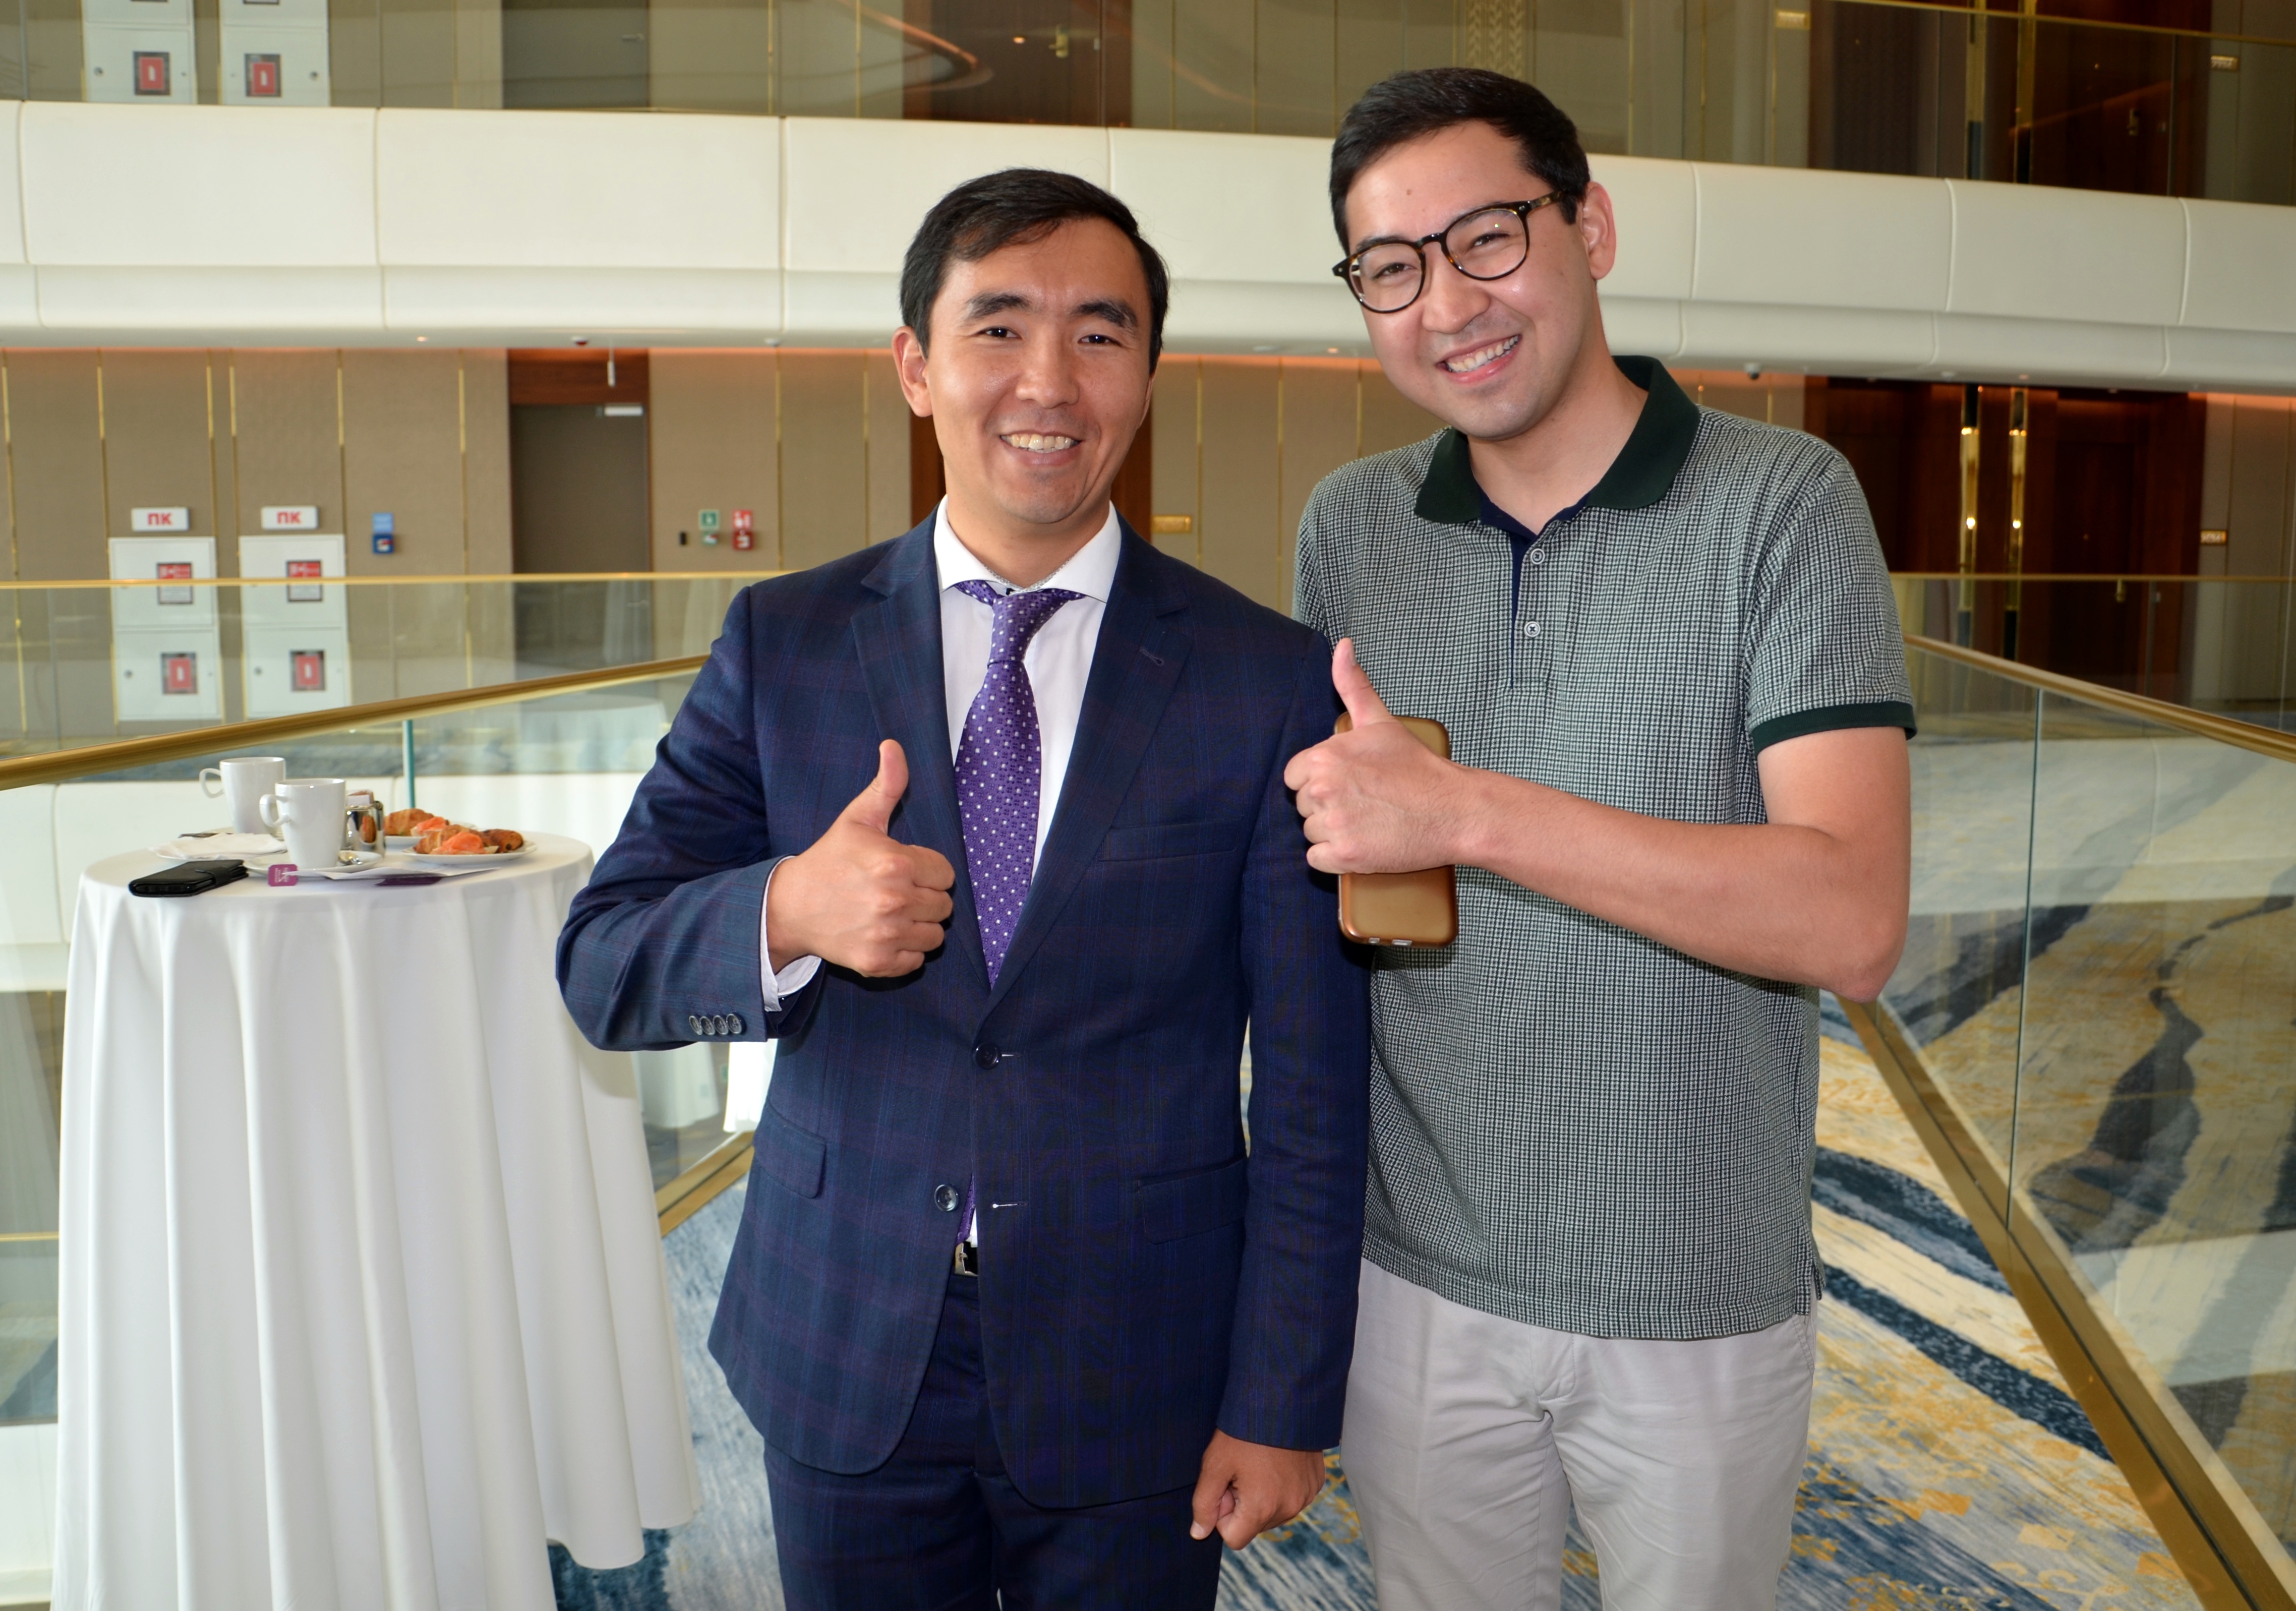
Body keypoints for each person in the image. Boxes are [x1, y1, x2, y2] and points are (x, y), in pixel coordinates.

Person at [557, 168, 1369, 1610]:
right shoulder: (786, 642)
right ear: (915, 367)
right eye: (997, 328)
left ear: (1146, 376)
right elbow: (602, 961)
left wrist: (1283, 1397)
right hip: (846, 1333)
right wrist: (789, 912)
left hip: (1140, 1354)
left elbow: (1312, 1083)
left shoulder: (1263, 679)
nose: (1048, 380)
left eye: (1100, 334)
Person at [1282, 69, 1915, 1611]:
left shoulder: (1782, 503)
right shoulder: (1348, 527)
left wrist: (1468, 810)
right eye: (1390, 268)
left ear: (1591, 227)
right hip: (1417, 1276)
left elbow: (1848, 919)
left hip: (1692, 1289)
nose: (1447, 304)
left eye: (1486, 238)